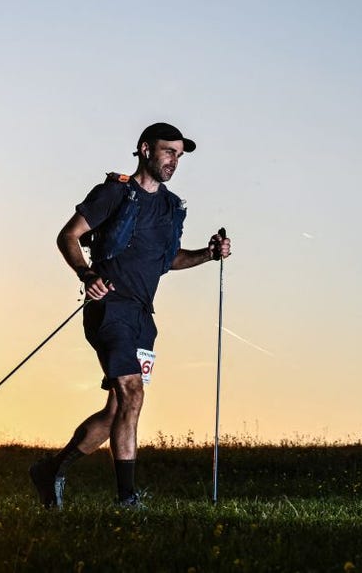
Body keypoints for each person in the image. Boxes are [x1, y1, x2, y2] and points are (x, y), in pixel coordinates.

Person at [30, 121, 231, 508]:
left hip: (143, 317)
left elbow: (167, 260)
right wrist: (87, 274)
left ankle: (51, 469)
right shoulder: (115, 193)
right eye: (168, 151)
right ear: (145, 149)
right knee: (132, 394)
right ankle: (127, 500)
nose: (174, 160)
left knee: (118, 409)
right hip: (109, 308)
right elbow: (68, 236)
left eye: (179, 154)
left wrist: (208, 254)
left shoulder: (172, 208)